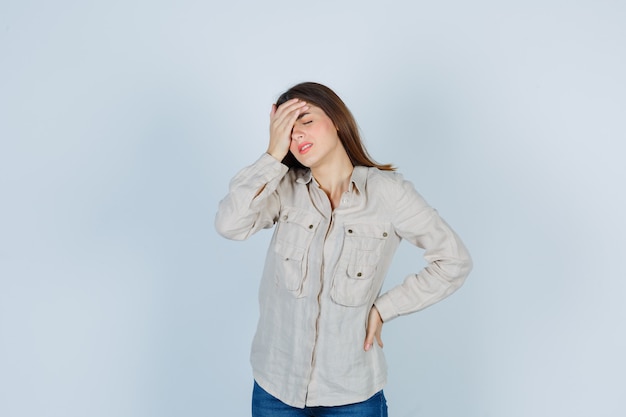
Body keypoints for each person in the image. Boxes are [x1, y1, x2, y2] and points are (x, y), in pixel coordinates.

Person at [215, 82, 472, 417]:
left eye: (305, 121)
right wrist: (271, 156)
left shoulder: (386, 193)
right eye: (287, 131)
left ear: (336, 120)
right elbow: (229, 224)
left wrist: (384, 309)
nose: (298, 135)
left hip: (352, 394)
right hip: (275, 388)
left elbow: (453, 261)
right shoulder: (281, 189)